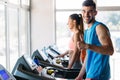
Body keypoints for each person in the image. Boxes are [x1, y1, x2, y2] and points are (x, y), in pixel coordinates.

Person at [75, 0, 114, 80]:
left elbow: (110, 50)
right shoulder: (87, 31)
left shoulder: (99, 27)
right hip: (91, 75)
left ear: (95, 13)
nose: (86, 14)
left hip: (99, 75)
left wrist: (87, 46)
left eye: (90, 11)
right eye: (84, 11)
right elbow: (88, 56)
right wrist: (80, 75)